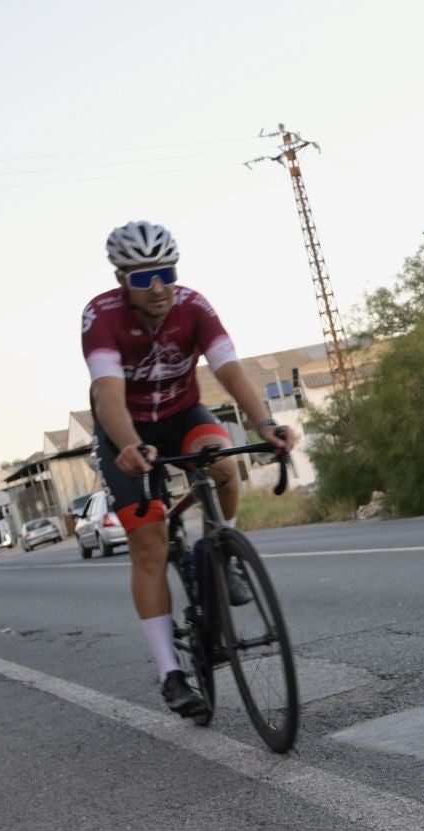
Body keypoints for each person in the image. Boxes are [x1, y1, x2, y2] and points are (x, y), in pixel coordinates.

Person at [82, 220, 296, 717]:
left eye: (166, 273)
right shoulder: (102, 316)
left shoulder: (194, 306)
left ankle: (221, 550)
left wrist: (264, 422)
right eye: (142, 278)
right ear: (122, 282)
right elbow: (106, 393)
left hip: (183, 415)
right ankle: (171, 674)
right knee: (150, 543)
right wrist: (130, 445)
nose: (157, 287)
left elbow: (229, 368)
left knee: (222, 463)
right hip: (126, 429)